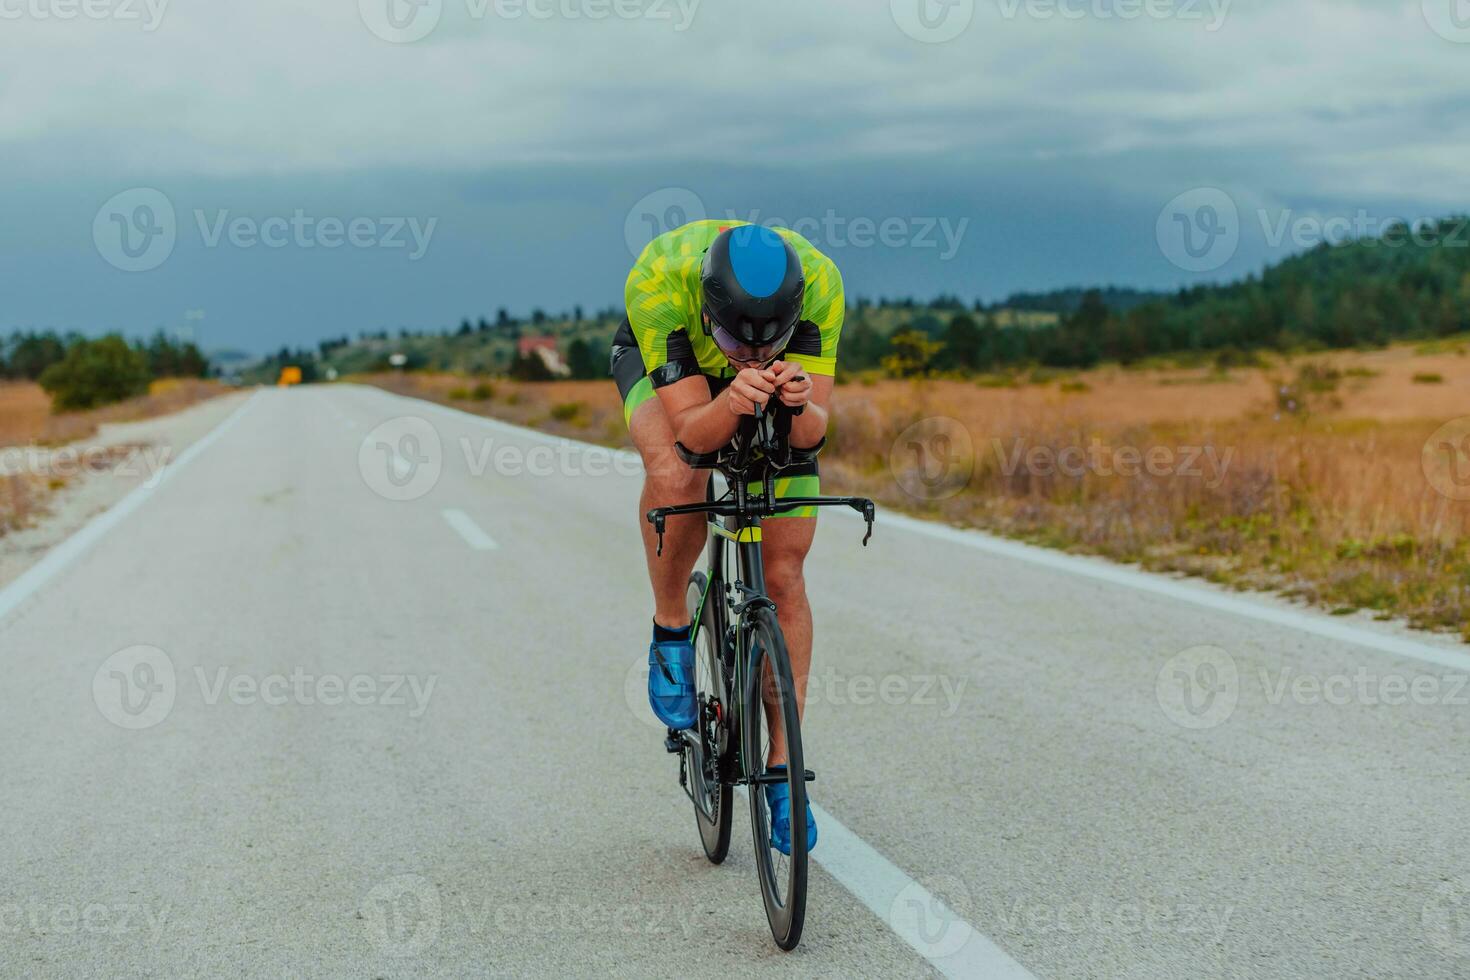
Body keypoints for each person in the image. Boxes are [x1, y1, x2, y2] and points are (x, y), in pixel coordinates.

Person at [611, 219, 843, 854]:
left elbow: (813, 435)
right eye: (738, 345)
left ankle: (781, 769)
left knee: (784, 574)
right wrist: (733, 397)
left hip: (755, 389)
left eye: (768, 346)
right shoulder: (663, 282)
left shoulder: (821, 285)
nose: (752, 357)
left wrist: (795, 405)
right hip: (671, 375)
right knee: (678, 475)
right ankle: (669, 628)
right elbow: (689, 433)